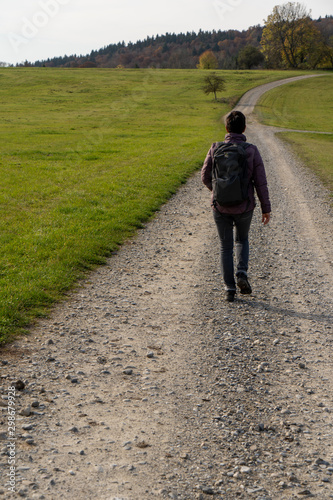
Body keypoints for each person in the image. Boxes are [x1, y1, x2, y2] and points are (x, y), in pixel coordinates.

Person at [201, 110, 271, 302]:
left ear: (226, 128)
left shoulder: (215, 148)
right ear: (244, 128)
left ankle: (229, 289)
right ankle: (241, 273)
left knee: (225, 247)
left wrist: (217, 191)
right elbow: (261, 182)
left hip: (220, 206)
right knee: (242, 239)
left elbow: (205, 176)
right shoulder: (251, 150)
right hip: (245, 206)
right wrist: (266, 208)